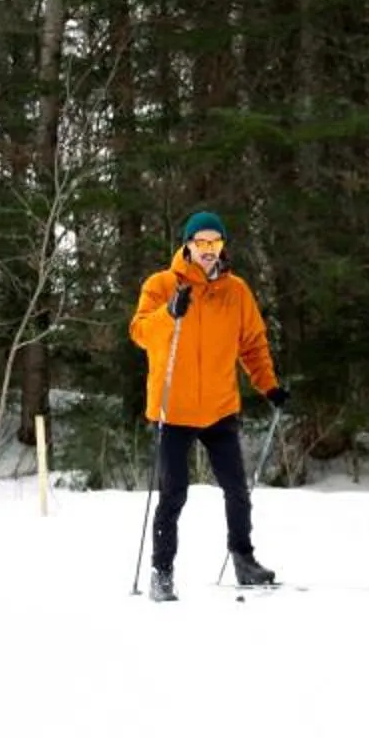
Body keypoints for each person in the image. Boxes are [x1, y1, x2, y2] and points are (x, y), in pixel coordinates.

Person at [131, 209, 290, 603]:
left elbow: (252, 345)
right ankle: (162, 573)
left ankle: (244, 560)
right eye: (200, 242)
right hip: (174, 409)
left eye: (214, 242)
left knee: (237, 489)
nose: (207, 249)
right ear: (187, 244)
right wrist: (171, 313)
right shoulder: (162, 284)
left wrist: (268, 386)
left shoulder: (236, 292)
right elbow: (139, 332)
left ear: (222, 247)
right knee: (175, 493)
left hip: (219, 408)